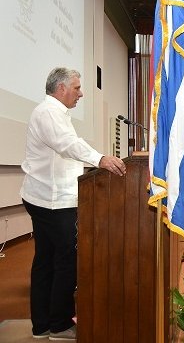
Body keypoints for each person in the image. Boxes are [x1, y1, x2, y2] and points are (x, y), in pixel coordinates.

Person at [20, 67, 125, 340]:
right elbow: (67, 144)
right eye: (77, 88)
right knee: (67, 261)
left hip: (47, 198)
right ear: (62, 88)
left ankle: (42, 325)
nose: (81, 93)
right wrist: (100, 159)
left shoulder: (55, 113)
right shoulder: (48, 113)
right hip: (52, 201)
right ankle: (58, 325)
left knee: (46, 261)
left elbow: (67, 148)